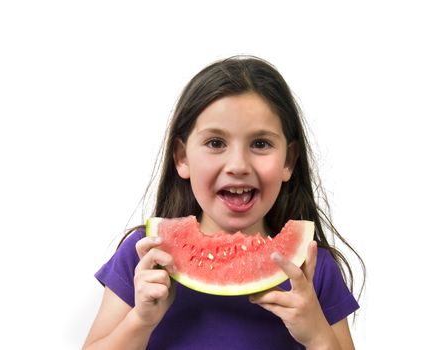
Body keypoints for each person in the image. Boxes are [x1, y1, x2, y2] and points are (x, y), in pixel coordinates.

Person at [83, 56, 365, 350]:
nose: (238, 165)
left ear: (288, 161)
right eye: (216, 143)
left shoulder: (312, 266)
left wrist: (317, 335)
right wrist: (140, 320)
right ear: (182, 157)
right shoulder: (146, 254)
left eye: (260, 144)